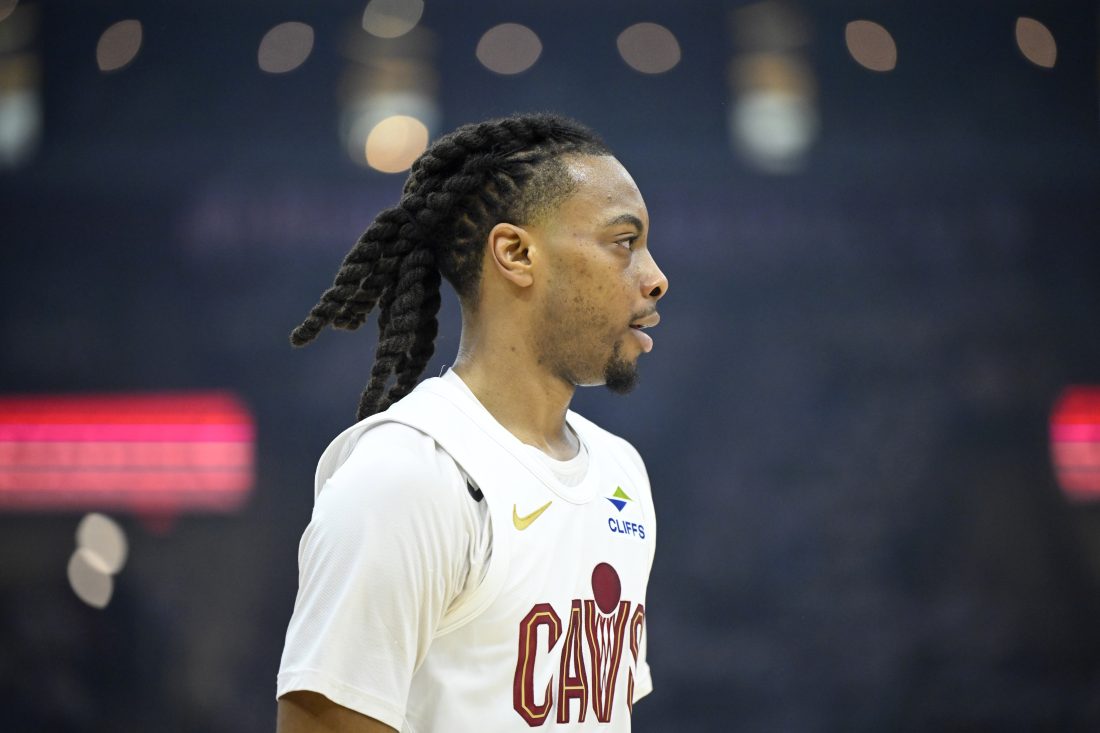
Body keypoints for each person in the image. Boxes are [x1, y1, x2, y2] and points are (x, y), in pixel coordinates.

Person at [276, 112, 668, 732]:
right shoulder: (407, 478)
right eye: (624, 242)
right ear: (516, 253)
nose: (655, 277)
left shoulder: (623, 471)